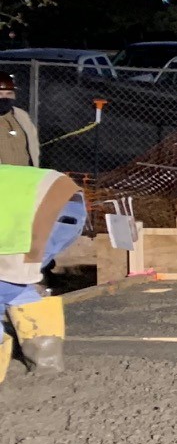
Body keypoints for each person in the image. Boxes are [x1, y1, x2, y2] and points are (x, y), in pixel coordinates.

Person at [0, 164, 87, 374]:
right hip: (63, 201)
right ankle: (46, 362)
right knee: (15, 281)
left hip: (38, 212)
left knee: (5, 284)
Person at [0, 75, 36, 168]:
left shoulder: (22, 116)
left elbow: (33, 148)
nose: (5, 98)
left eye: (9, 93)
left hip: (24, 176)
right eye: (0, 94)